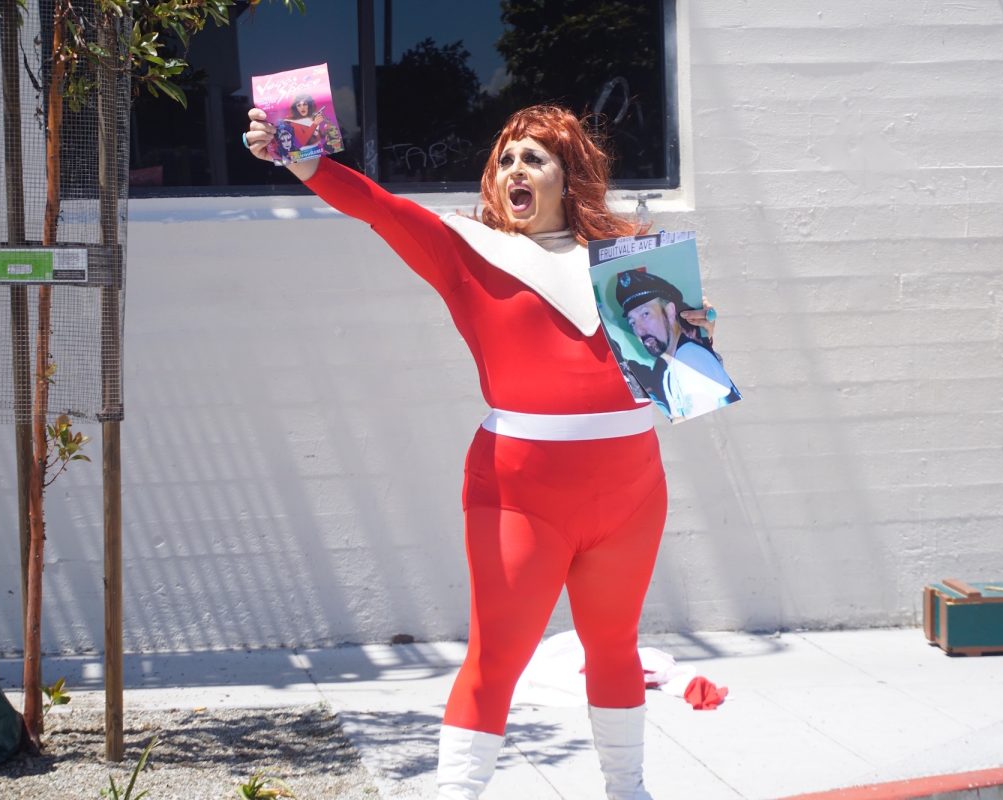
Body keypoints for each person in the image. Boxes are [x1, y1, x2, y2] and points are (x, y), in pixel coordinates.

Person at [245, 103, 717, 799]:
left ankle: (629, 790)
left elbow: (678, 370)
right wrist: (297, 156)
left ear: (570, 173)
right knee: (496, 656)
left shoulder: (631, 257)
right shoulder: (465, 247)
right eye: (504, 160)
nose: (513, 171)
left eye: (533, 158)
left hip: (631, 486)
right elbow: (377, 207)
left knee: (614, 648)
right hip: (518, 487)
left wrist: (693, 333)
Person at [616, 269, 740, 421]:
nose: (640, 330)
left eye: (645, 314)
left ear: (669, 311)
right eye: (632, 322)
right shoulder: (672, 364)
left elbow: (700, 428)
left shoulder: (688, 358)